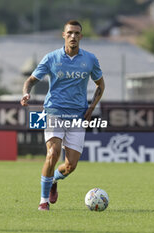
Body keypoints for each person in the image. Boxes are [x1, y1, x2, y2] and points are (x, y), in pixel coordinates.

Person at [20, 20, 105, 211]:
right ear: (63, 35)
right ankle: (43, 201)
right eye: (70, 33)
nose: (73, 36)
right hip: (54, 111)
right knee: (53, 153)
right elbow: (31, 80)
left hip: (77, 116)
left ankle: (54, 181)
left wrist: (91, 109)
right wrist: (26, 93)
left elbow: (101, 85)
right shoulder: (51, 58)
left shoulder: (90, 59)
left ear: (81, 36)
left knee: (70, 166)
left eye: (77, 33)